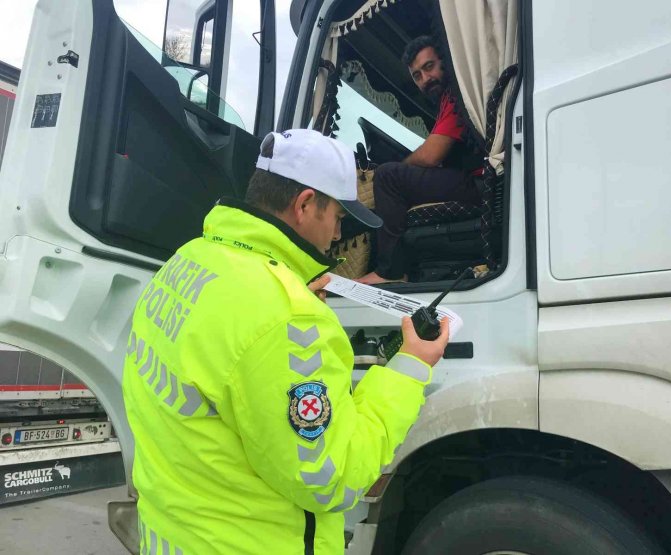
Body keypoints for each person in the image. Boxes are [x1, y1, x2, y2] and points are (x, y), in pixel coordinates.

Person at [122, 128, 450, 554]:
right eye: (337, 218)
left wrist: (287, 287)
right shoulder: (287, 316)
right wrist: (410, 366)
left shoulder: (186, 261)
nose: (337, 236)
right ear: (305, 204)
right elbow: (335, 477)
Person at [358, 36, 483, 285]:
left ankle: (390, 272)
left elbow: (430, 155)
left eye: (429, 67)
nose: (425, 79)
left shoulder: (457, 96)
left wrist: (398, 169)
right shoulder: (446, 102)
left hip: (478, 182)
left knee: (387, 176)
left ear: (445, 62)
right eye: (417, 76)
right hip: (472, 182)